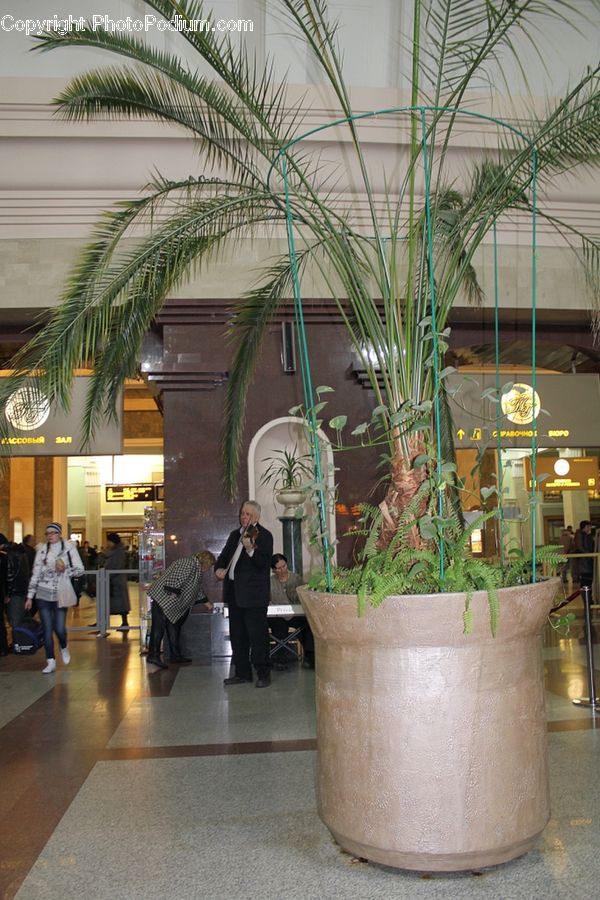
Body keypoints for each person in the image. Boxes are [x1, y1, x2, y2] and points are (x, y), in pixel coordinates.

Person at [215, 500, 273, 688]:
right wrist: (219, 569)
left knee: (258, 637)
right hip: (235, 595)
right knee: (238, 636)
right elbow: (224, 557)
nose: (243, 517)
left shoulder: (264, 536)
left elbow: (263, 564)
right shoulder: (234, 535)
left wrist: (250, 549)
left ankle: (263, 673)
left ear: (256, 516)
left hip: (254, 597)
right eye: (242, 513)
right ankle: (242, 673)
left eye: (247, 514)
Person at [25, 522, 84, 673]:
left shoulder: (69, 548)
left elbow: (80, 570)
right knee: (47, 628)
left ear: (59, 533)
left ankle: (64, 646)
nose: (50, 535)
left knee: (59, 627)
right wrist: (30, 596)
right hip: (43, 593)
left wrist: (65, 570)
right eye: (48, 533)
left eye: (53, 533)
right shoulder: (42, 550)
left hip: (60, 592)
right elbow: (35, 574)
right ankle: (50, 660)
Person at [146, 550, 215, 669]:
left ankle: (175, 655)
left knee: (173, 626)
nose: (208, 569)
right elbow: (175, 580)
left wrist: (206, 602)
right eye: (209, 566)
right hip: (164, 598)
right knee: (159, 627)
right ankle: (153, 655)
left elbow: (196, 588)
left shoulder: (195, 567)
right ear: (206, 562)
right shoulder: (189, 564)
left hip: (169, 600)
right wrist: (172, 596)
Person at [269, 553, 314, 670]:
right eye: (278, 568)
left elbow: (304, 594)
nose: (282, 569)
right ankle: (280, 659)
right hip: (277, 615)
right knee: (279, 628)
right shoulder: (270, 582)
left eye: (284, 566)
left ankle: (310, 657)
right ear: (274, 570)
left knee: (308, 625)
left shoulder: (296, 578)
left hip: (296, 614)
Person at [104, 532, 130, 631]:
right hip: (114, 580)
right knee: (114, 604)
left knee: (121, 604)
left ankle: (124, 623)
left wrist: (108, 574)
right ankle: (103, 622)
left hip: (117, 581)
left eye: (109, 541)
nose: (107, 543)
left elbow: (117, 566)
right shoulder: (114, 551)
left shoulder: (118, 552)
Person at [573, 520, 594, 591]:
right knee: (585, 582)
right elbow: (580, 547)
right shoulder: (580, 535)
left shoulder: (587, 535)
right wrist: (589, 554)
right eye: (588, 527)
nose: (589, 528)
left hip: (587, 562)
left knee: (588, 581)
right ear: (584, 527)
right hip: (584, 562)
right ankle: (587, 599)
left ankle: (589, 599)